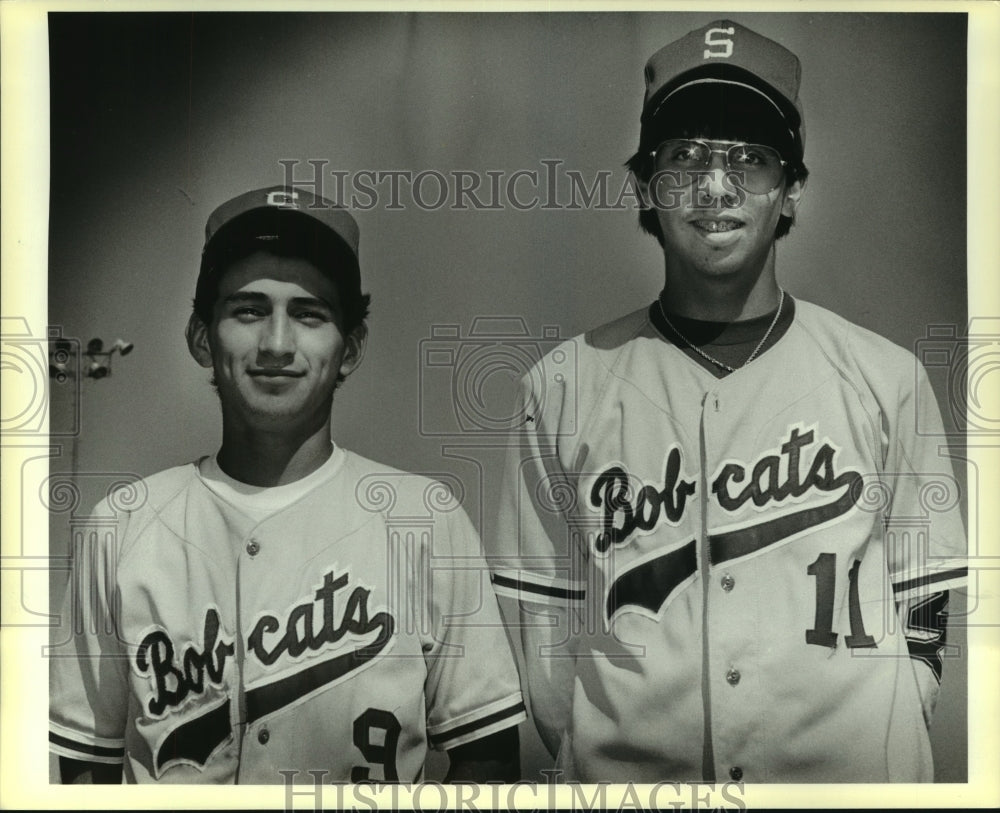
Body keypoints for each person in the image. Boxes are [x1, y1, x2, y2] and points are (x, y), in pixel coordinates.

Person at [490, 19, 967, 783]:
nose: (716, 187)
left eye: (750, 157)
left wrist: (893, 720)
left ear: (792, 186)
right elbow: (543, 629)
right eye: (684, 156)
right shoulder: (562, 385)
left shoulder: (887, 378)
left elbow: (927, 594)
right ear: (645, 185)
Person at [49, 186, 525, 784]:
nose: (276, 345)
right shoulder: (123, 525)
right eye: (248, 311)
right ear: (201, 337)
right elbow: (85, 767)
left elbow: (488, 758)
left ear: (350, 347)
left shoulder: (426, 519)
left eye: (309, 314)